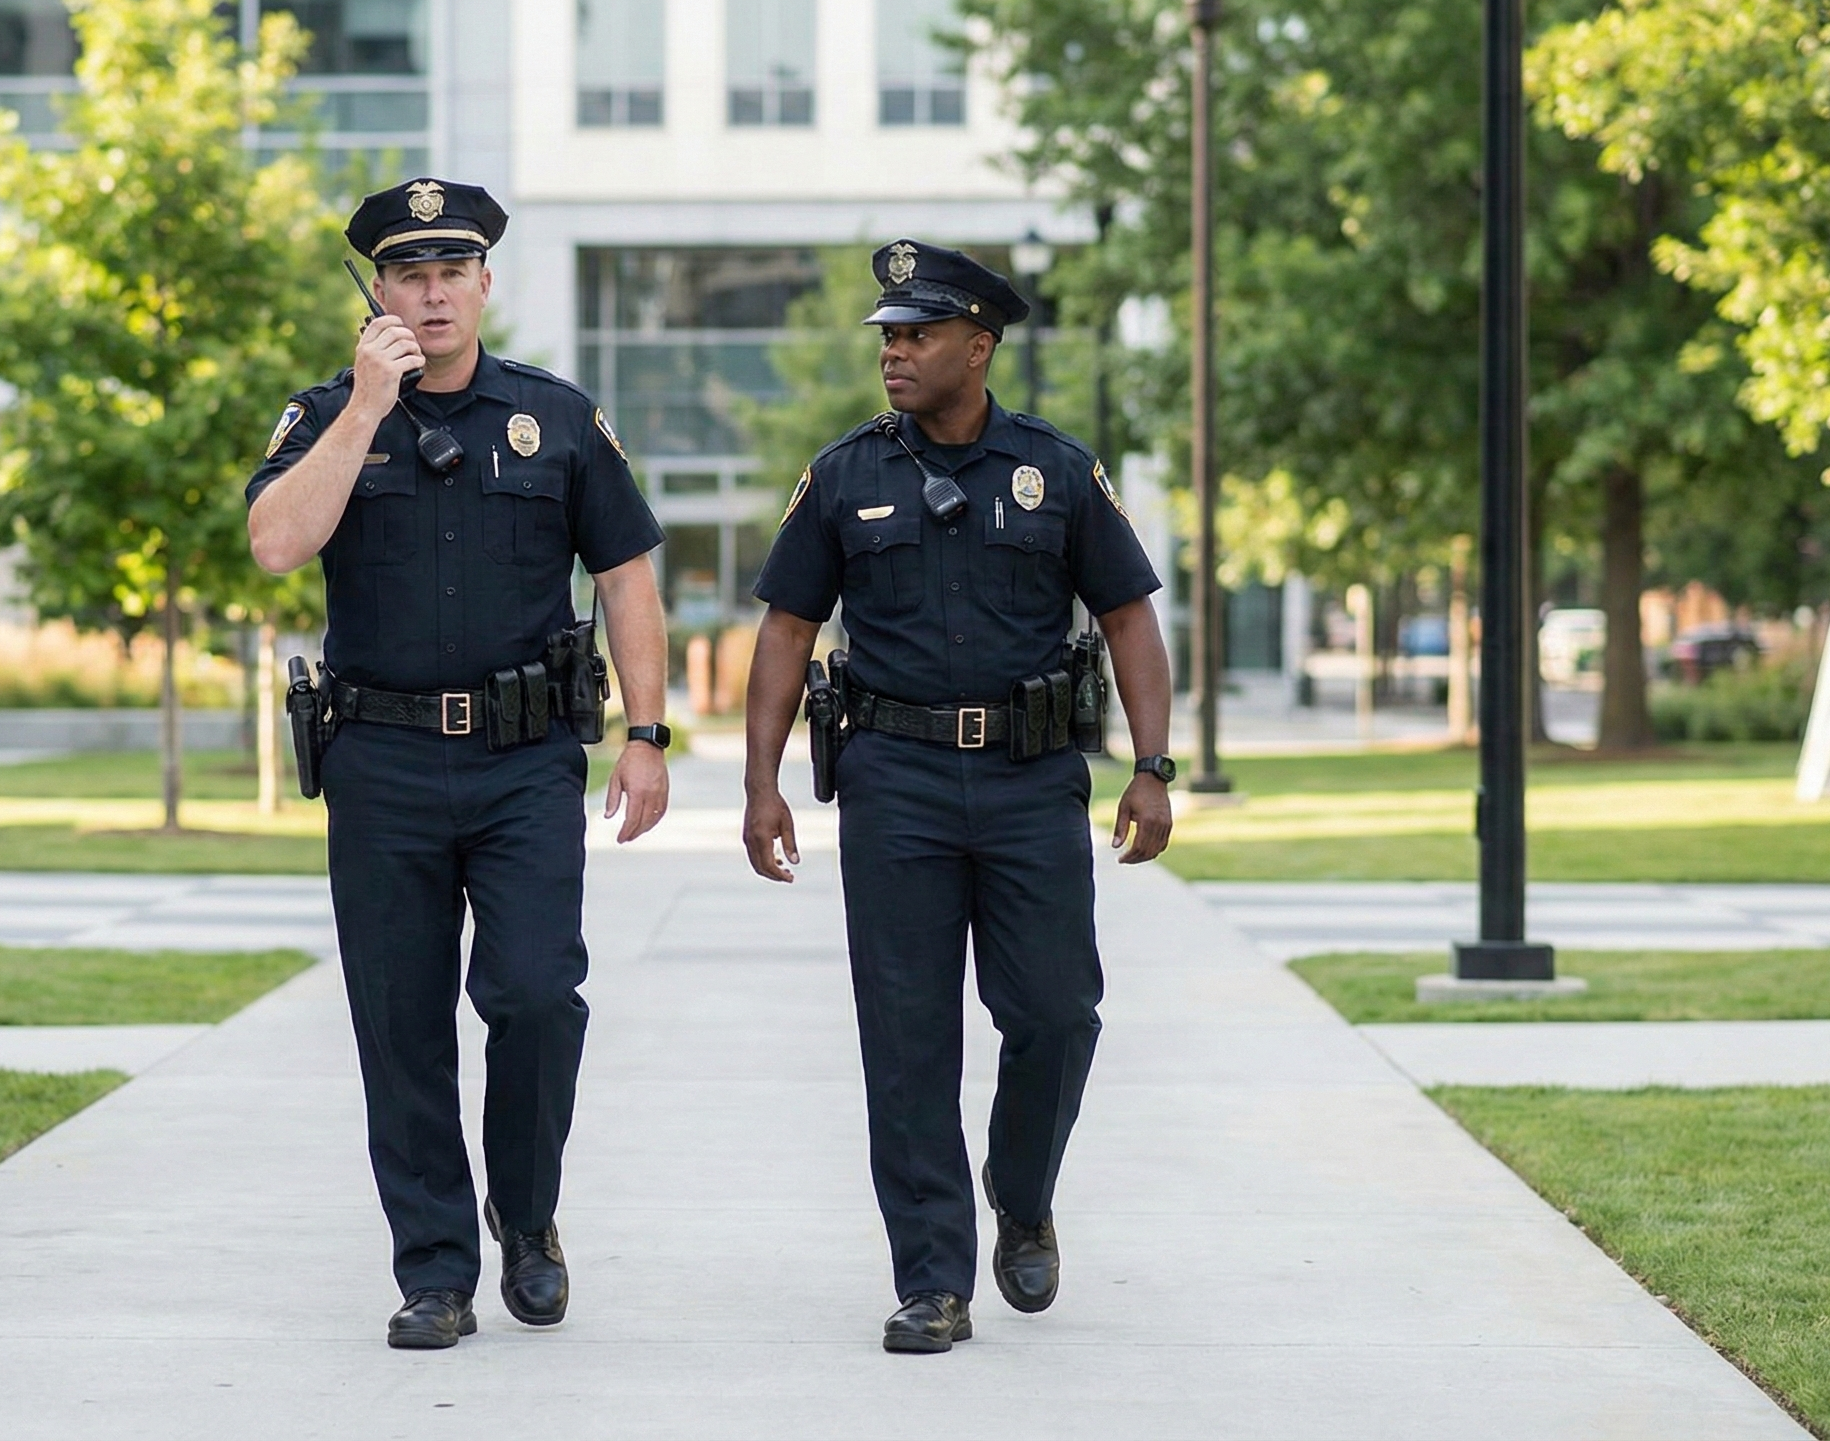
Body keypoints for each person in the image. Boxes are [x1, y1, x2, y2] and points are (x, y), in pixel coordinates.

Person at [247, 178, 674, 1350]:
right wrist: (362, 410)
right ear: (374, 292)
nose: (430, 294)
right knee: (400, 1021)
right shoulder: (324, 416)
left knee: (536, 995)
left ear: (485, 284)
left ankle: (526, 1220)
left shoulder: (557, 417)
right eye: (406, 276)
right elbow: (278, 544)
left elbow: (627, 574)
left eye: (451, 273)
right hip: (379, 760)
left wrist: (645, 733)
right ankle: (435, 1269)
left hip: (524, 759)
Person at [739, 239, 1177, 1354]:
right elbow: (787, 627)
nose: (894, 353)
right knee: (907, 1037)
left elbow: (1128, 616)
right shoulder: (844, 475)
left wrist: (1153, 767)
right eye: (888, 336)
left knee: (1054, 1014)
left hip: (1032, 782)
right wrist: (762, 784)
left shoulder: (1058, 471)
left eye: (918, 335)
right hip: (896, 782)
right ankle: (931, 1279)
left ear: (978, 349)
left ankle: (1020, 1197)